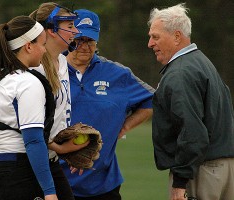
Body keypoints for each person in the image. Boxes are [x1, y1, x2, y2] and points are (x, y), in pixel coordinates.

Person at [61, 9, 155, 200]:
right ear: (69, 37)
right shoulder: (52, 69)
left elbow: (152, 99)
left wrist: (125, 126)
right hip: (57, 182)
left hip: (103, 185)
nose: (84, 46)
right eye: (79, 40)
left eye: (90, 40)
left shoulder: (117, 74)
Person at [0, 15, 59, 200]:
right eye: (42, 44)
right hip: (15, 175)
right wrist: (49, 191)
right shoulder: (28, 82)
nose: (45, 50)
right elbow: (33, 141)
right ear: (28, 46)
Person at [147, 3, 234, 200]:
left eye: (155, 37)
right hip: (225, 169)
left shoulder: (180, 72)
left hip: (201, 172)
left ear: (177, 36)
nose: (150, 44)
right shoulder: (202, 62)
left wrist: (180, 180)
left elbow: (192, 130)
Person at [29, 2, 88, 200]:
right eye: (70, 26)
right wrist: (60, 148)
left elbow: (58, 116)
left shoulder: (62, 61)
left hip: (51, 159)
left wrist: (66, 150)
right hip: (30, 164)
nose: (76, 31)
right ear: (52, 30)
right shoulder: (35, 70)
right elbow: (28, 128)